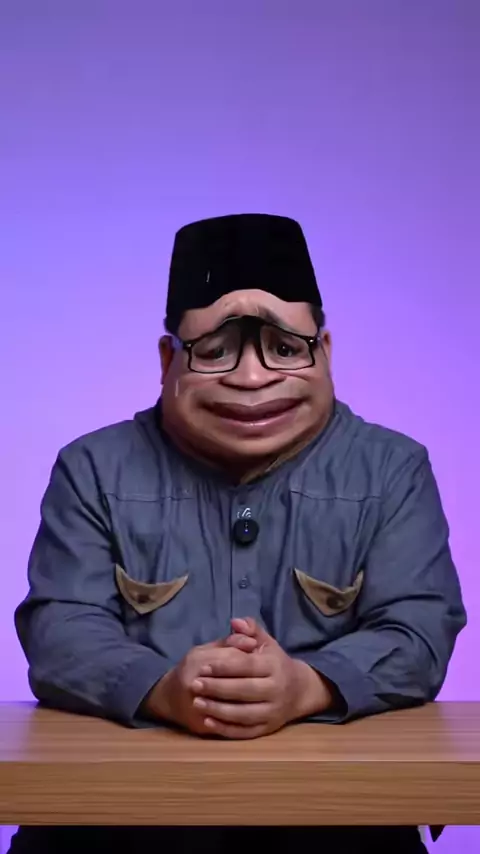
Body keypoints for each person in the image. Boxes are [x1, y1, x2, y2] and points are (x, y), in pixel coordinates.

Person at [10, 214, 466, 853]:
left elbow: (418, 628)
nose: (251, 380)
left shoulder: (392, 469)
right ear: (168, 360)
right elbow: (61, 630)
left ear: (325, 351)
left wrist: (308, 685)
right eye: (215, 350)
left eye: (285, 348)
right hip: (120, 828)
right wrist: (165, 691)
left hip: (336, 827)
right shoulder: (93, 468)